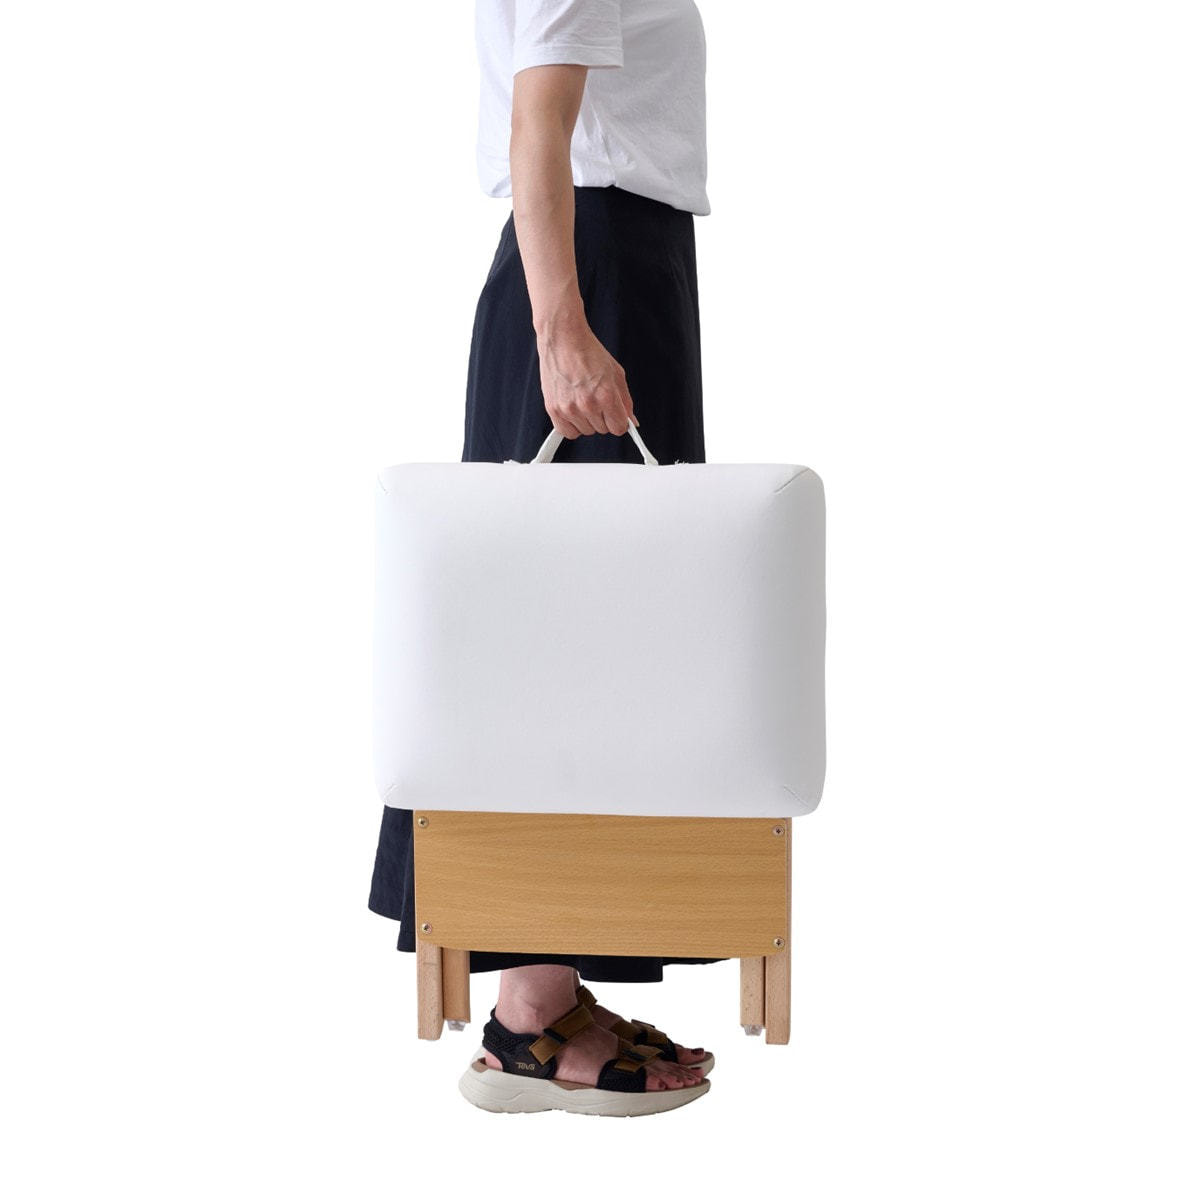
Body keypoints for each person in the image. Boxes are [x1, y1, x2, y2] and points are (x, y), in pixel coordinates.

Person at [370, 0, 720, 1115]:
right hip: (588, 269)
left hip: (616, 262)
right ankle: (527, 1014)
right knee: (555, 646)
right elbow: (540, 128)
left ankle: (550, 987)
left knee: (591, 642)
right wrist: (565, 334)